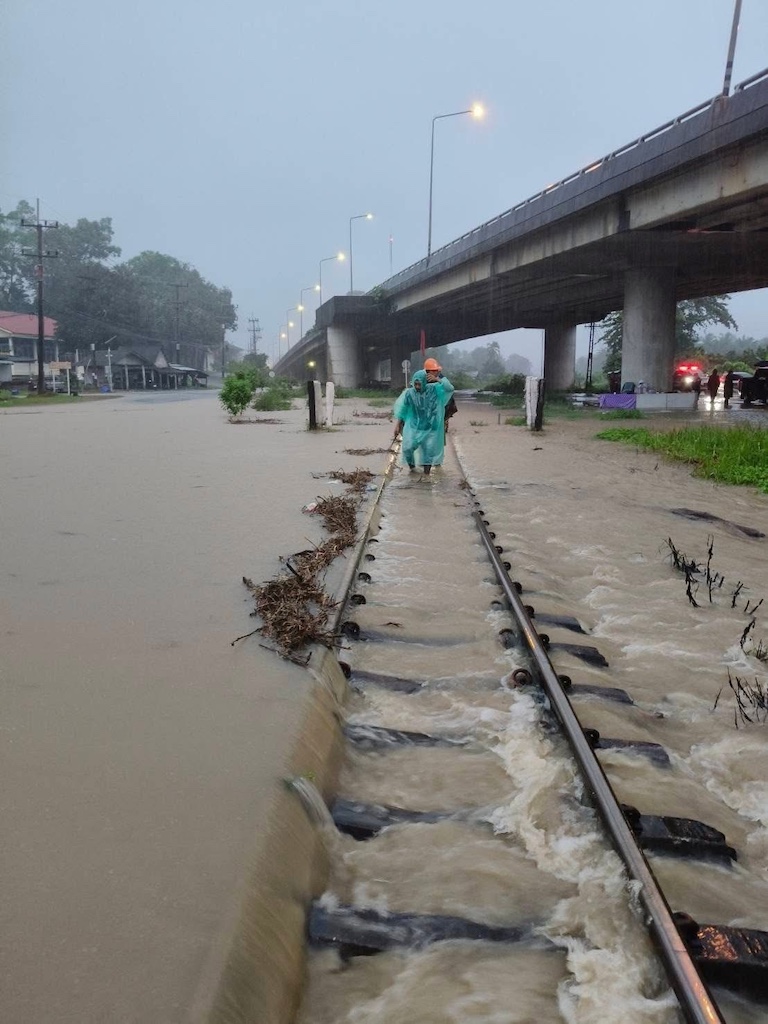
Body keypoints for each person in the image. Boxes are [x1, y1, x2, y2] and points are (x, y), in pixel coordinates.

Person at [392, 368, 454, 476]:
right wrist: (397, 425)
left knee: (428, 451)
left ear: (424, 382)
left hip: (430, 426)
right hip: (414, 426)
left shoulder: (433, 390)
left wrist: (438, 379)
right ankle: (413, 469)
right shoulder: (409, 393)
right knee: (407, 448)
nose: (417, 387)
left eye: (419, 384)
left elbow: (449, 388)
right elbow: (403, 410)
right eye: (415, 384)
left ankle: (426, 476)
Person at [424, 357, 457, 437]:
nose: (436, 372)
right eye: (433, 370)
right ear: (427, 371)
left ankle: (444, 423)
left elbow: (450, 388)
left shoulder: (441, 377)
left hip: (445, 403)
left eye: (436, 370)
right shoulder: (423, 378)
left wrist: (437, 380)